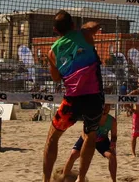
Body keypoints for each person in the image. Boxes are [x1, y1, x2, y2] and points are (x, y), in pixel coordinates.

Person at [43, 10, 104, 182]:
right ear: (73, 25)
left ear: (55, 30)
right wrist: (85, 29)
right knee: (90, 136)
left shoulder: (52, 53)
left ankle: (45, 180)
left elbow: (55, 78)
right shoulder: (85, 34)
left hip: (72, 100)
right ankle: (81, 179)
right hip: (94, 98)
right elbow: (94, 26)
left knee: (52, 138)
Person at [62, 104, 117, 182]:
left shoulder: (112, 121)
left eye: (107, 106)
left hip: (101, 140)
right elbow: (85, 133)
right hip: (86, 138)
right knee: (73, 155)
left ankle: (114, 180)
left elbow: (114, 135)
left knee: (112, 156)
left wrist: (113, 143)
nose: (105, 108)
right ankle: (63, 177)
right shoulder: (92, 117)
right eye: (103, 106)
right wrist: (86, 145)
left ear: (110, 107)